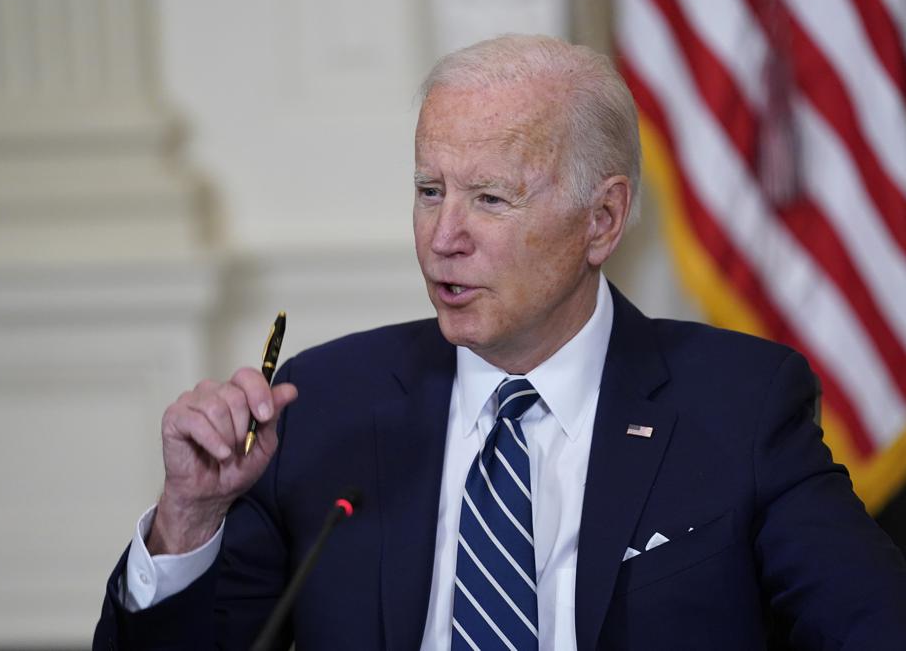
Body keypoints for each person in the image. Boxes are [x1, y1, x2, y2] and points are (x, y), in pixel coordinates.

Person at [94, 35, 906, 650]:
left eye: (489, 198)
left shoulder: (737, 406)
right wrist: (189, 519)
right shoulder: (325, 406)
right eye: (428, 190)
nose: (443, 236)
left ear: (604, 219)